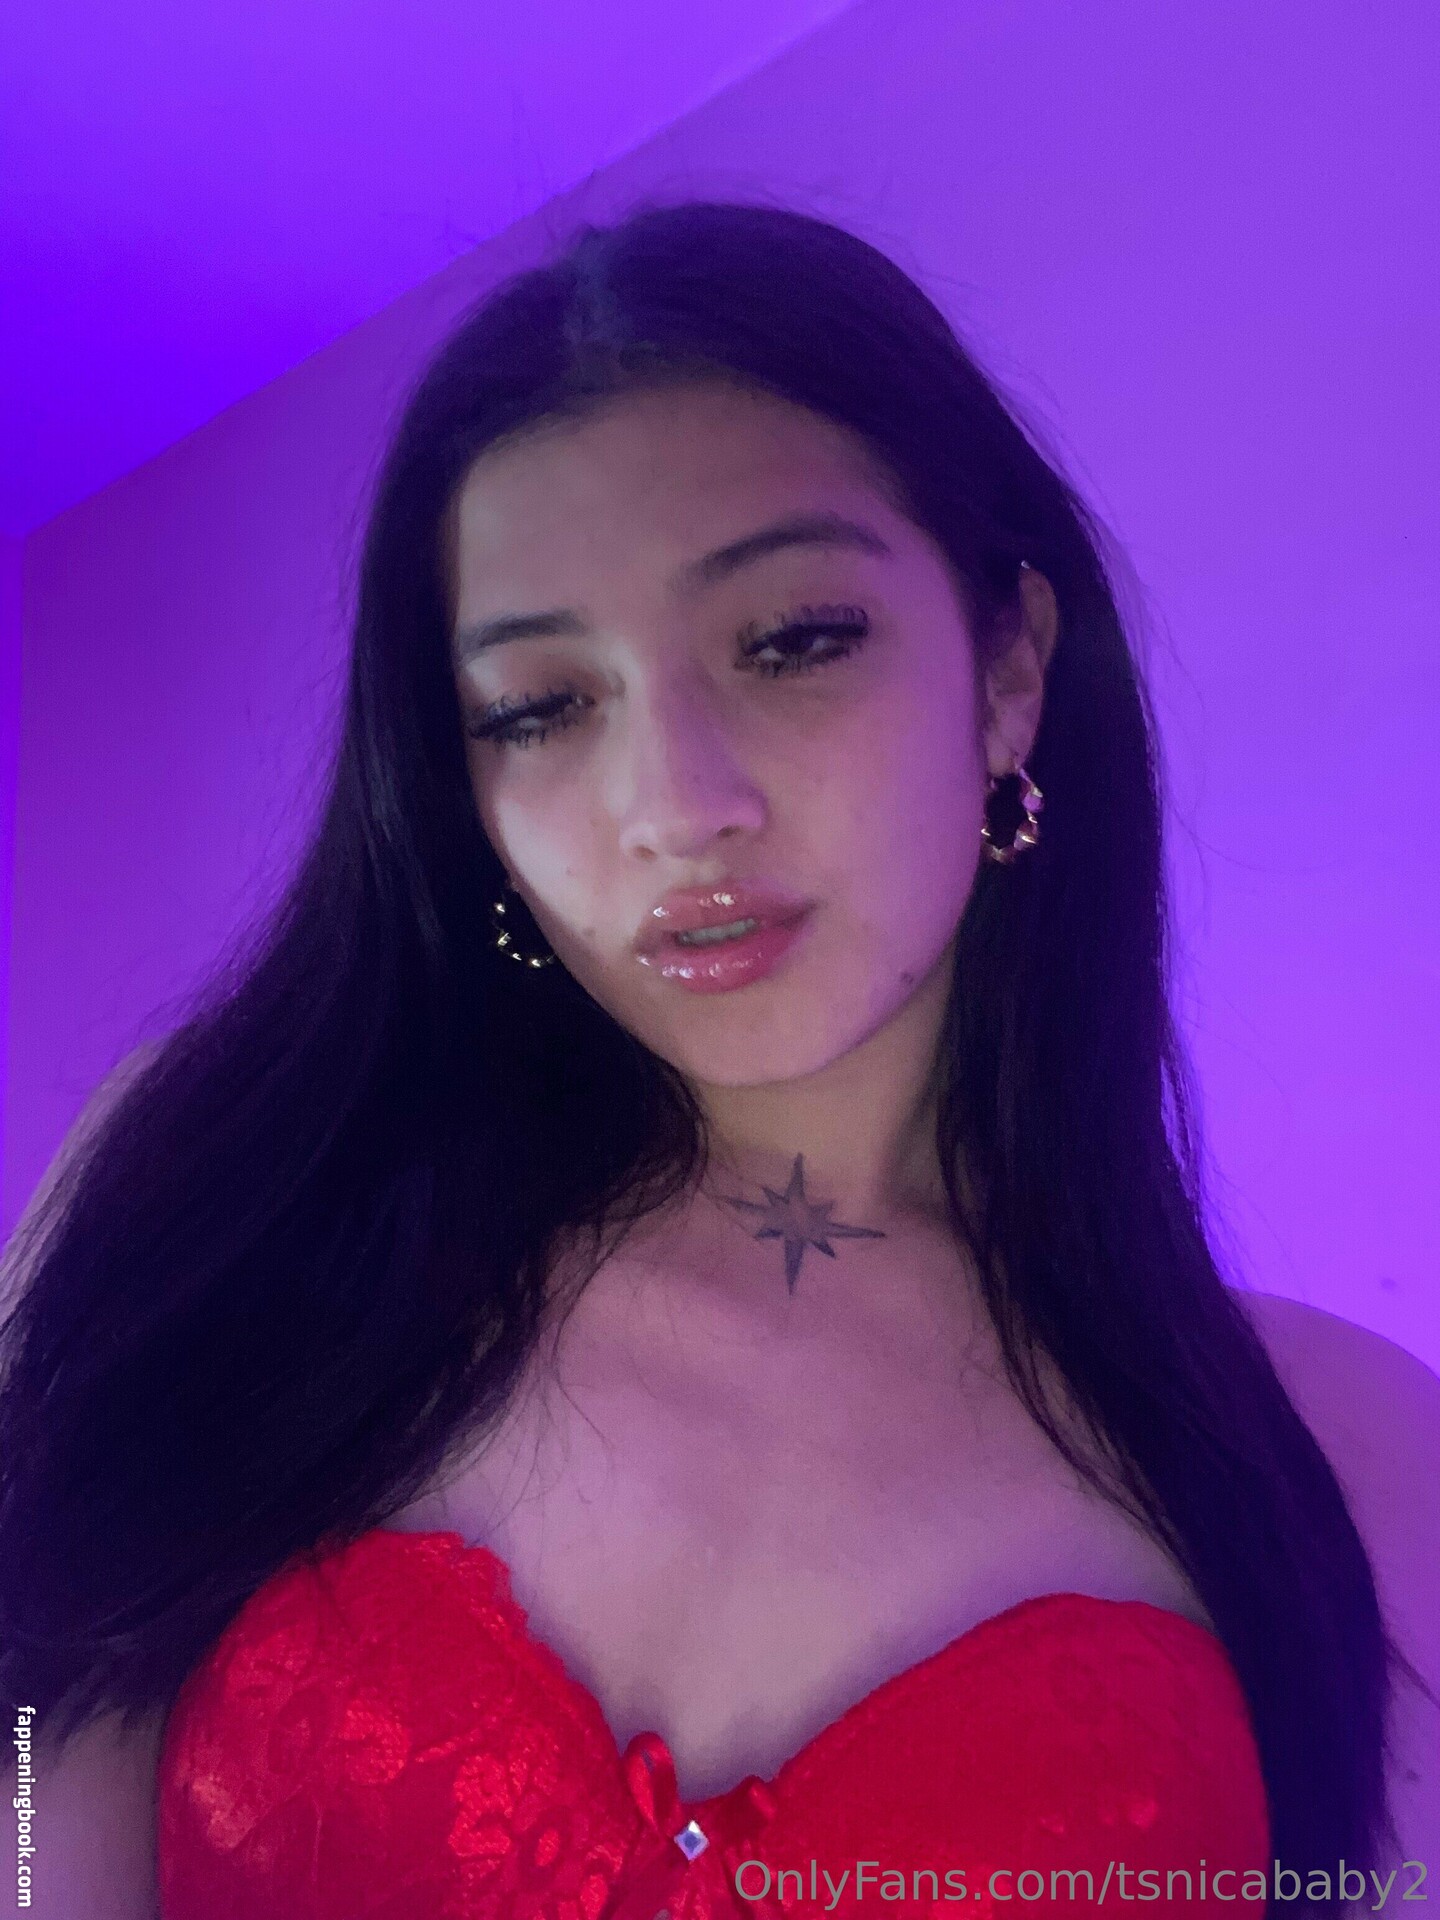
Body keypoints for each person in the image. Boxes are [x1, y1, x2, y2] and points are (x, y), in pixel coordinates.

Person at [1, 200, 1435, 1919]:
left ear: (1009, 670)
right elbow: (22, 1784)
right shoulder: (235, 1195)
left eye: (792, 641)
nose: (676, 807)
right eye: (541, 707)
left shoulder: (1342, 1461)